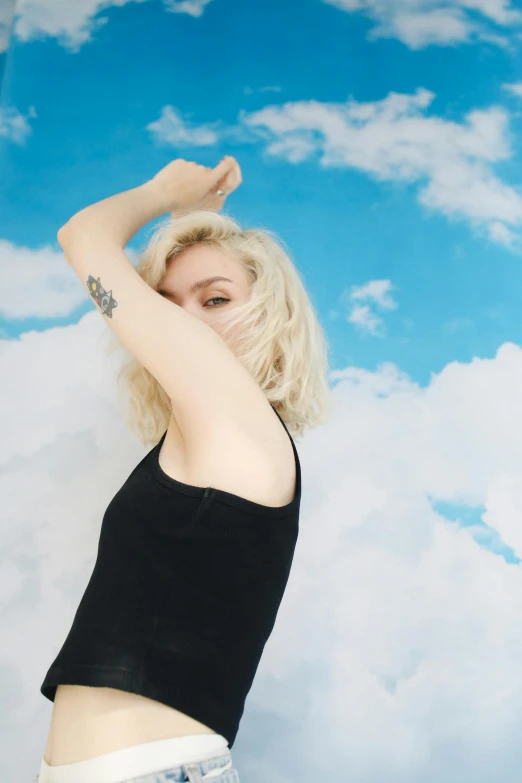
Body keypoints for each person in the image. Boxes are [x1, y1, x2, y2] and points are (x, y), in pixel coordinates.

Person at [36, 156, 333, 783]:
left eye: (217, 299)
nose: (181, 320)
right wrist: (195, 221)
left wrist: (162, 191)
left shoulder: (236, 416)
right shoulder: (227, 435)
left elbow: (80, 237)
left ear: (273, 317)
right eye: (165, 302)